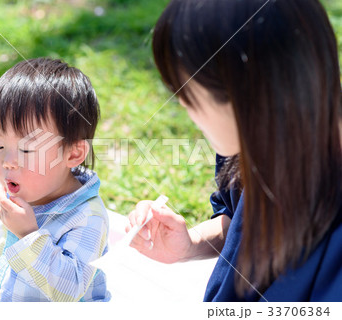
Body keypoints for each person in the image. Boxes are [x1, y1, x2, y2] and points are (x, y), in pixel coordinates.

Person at [128, 0, 342, 301]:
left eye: (185, 93)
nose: (183, 106)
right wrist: (190, 243)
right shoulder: (259, 142)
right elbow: (240, 225)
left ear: (246, 98)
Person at [0, 58, 110, 302]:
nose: (8, 160)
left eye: (27, 150)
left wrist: (28, 235)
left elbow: (69, 290)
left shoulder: (87, 217)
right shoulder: (15, 195)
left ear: (73, 153)